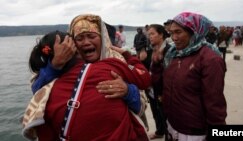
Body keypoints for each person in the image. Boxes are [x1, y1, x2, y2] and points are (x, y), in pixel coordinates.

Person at [22, 14, 151, 141]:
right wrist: (55, 65)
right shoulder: (61, 65)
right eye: (79, 38)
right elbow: (38, 93)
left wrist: (127, 91)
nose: (86, 42)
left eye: (91, 36)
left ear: (103, 39)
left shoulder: (116, 60)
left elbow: (142, 99)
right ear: (72, 44)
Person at [152, 12, 227, 141]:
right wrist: (157, 65)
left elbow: (215, 103)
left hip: (194, 133)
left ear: (194, 32)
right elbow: (159, 87)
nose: (174, 38)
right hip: (172, 126)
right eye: (171, 33)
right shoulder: (173, 54)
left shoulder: (209, 59)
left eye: (178, 32)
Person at [147, 24, 170, 140]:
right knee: (156, 112)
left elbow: (169, 74)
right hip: (152, 88)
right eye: (149, 34)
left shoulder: (168, 50)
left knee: (166, 115)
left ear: (161, 35)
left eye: (152, 34)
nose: (150, 37)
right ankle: (159, 131)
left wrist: (165, 92)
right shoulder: (152, 49)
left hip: (163, 90)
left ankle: (167, 135)